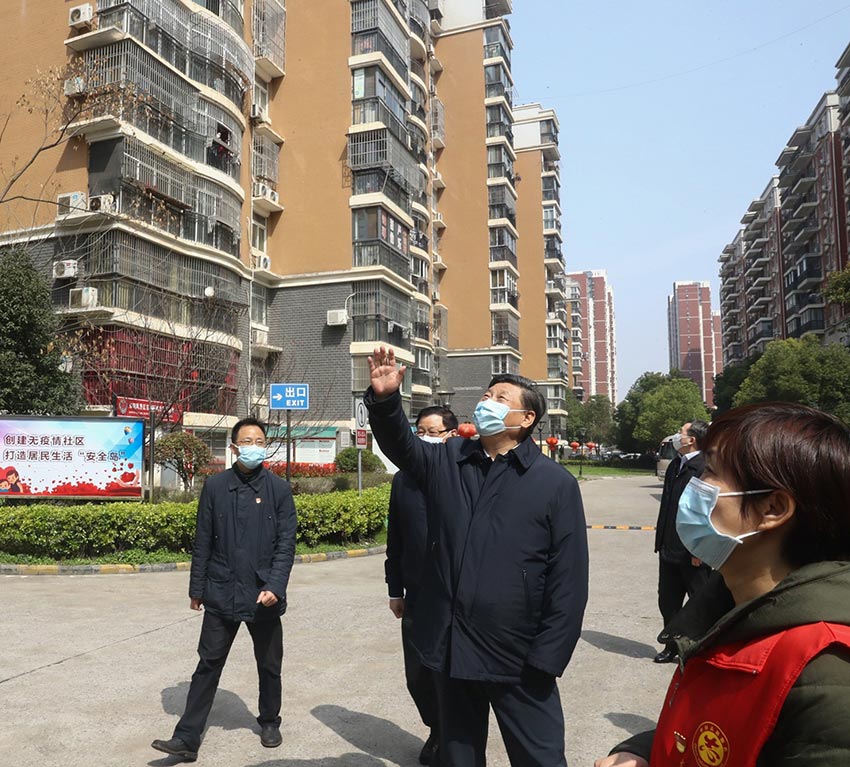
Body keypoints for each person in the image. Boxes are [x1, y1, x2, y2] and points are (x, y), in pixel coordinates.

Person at [366, 346, 588, 767]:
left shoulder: (553, 484)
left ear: (526, 420)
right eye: (488, 394)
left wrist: (548, 656)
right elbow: (401, 445)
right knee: (459, 754)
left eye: (502, 397)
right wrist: (386, 399)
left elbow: (569, 580)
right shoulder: (449, 459)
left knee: (539, 756)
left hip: (517, 655)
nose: (488, 401)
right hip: (453, 647)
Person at [595, 402, 850, 767]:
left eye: (710, 473)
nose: (694, 488)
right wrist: (645, 750)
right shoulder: (729, 609)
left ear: (773, 509)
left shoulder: (827, 675)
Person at [152, 417, 297, 763]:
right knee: (208, 664)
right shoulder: (215, 486)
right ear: (234, 448)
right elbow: (203, 540)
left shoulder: (279, 490)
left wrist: (275, 585)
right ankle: (186, 737)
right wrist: (197, 588)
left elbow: (286, 544)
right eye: (247, 441)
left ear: (266, 446)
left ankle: (269, 721)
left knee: (269, 664)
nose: (253, 446)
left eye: (259, 440)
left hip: (263, 594)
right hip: (221, 590)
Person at [386, 405, 458, 766]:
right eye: (421, 431)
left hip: (457, 597)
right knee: (418, 674)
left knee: (450, 673)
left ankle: (453, 739)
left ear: (451, 435)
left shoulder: (466, 474)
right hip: (416, 595)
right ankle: (436, 727)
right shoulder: (403, 480)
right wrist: (394, 589)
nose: (426, 437)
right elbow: (395, 539)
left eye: (434, 431)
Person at [652, 420, 711, 663]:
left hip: (693, 551)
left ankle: (699, 648)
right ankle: (672, 646)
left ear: (692, 439)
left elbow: (708, 511)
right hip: (669, 546)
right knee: (668, 601)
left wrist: (701, 549)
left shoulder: (705, 467)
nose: (678, 436)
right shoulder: (677, 464)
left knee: (700, 602)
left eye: (681, 433)